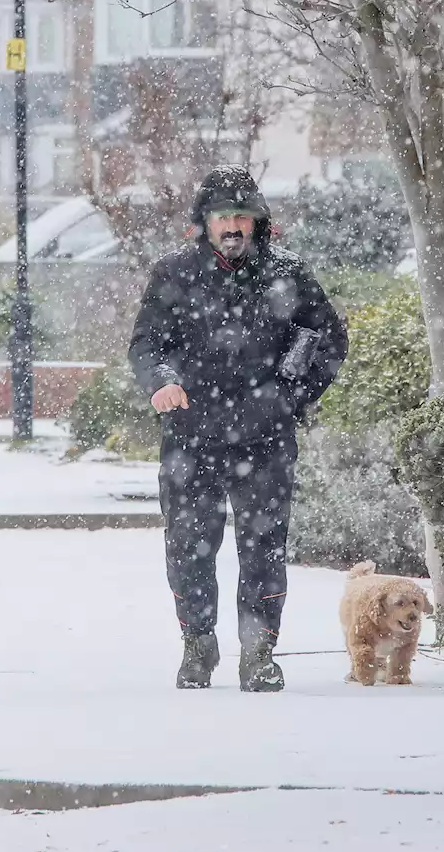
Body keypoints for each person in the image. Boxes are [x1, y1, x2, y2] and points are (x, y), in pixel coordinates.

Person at [128, 165, 348, 692]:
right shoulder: (174, 274)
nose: (233, 226)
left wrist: (290, 397)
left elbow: (328, 339)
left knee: (264, 546)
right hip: (191, 437)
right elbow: (147, 344)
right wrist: (161, 382)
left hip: (266, 439)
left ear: (258, 223)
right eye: (222, 216)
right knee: (189, 544)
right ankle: (197, 645)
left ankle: (260, 652)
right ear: (204, 224)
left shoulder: (288, 275)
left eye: (242, 217)